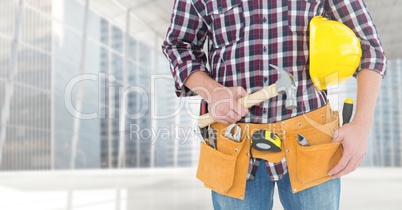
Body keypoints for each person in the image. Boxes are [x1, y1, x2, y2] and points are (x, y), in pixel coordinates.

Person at [162, 0, 386, 209]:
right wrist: (212, 92)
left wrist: (361, 125)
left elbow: (369, 47)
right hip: (234, 144)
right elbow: (178, 45)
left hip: (311, 141)